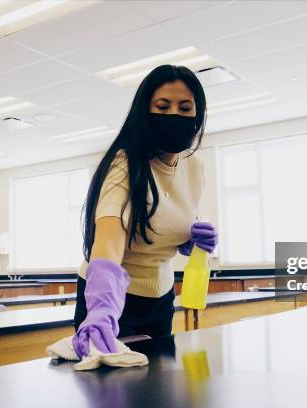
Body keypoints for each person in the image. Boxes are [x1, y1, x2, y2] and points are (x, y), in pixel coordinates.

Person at [72, 64, 217, 358]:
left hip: (161, 296)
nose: (173, 115)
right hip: (112, 297)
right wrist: (101, 309)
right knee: (111, 394)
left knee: (159, 387)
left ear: (197, 115)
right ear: (144, 113)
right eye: (162, 107)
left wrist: (190, 241)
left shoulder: (195, 167)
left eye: (184, 107)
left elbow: (168, 219)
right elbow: (109, 238)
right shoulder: (124, 165)